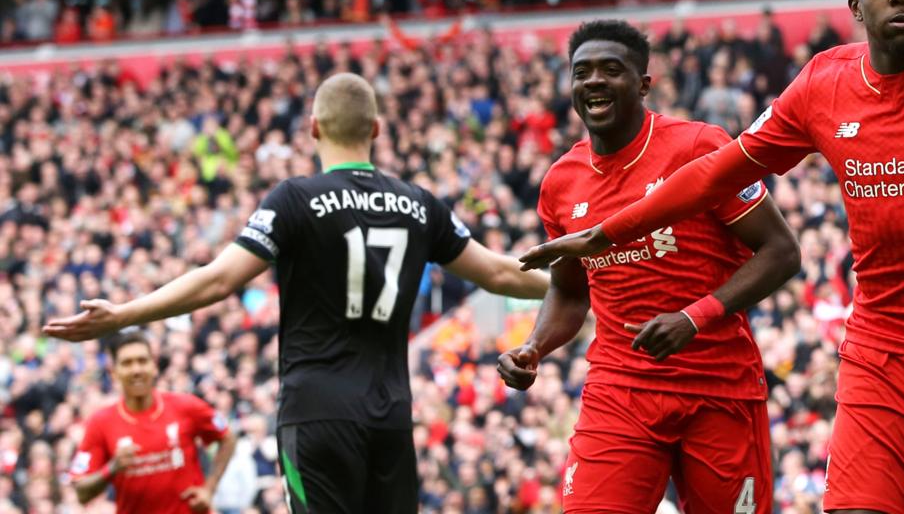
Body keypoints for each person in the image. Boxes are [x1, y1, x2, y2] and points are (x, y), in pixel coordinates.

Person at [519, 0, 904, 513]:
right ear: (856, 6)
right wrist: (601, 237)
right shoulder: (823, 85)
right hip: (881, 351)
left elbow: (777, 245)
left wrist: (693, 310)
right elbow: (717, 174)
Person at [45, 72, 549, 514]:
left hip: (316, 413)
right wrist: (595, 283)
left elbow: (220, 278)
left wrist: (124, 314)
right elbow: (503, 273)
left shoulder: (295, 199)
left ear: (313, 128)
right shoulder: (420, 204)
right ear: (375, 129)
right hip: (391, 413)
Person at [498, 20, 800, 514]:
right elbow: (572, 293)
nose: (593, 80)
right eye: (582, 72)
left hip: (718, 389)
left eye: (611, 70)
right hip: (620, 390)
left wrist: (694, 317)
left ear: (643, 84)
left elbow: (782, 251)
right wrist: (536, 346)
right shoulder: (560, 183)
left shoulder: (699, 147)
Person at [69, 330, 237, 513]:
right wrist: (112, 468)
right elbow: (81, 492)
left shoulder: (186, 406)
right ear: (114, 373)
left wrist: (209, 489)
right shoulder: (101, 422)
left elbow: (227, 438)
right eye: (127, 363)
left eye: (142, 361)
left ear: (154, 366)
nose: (136, 370)